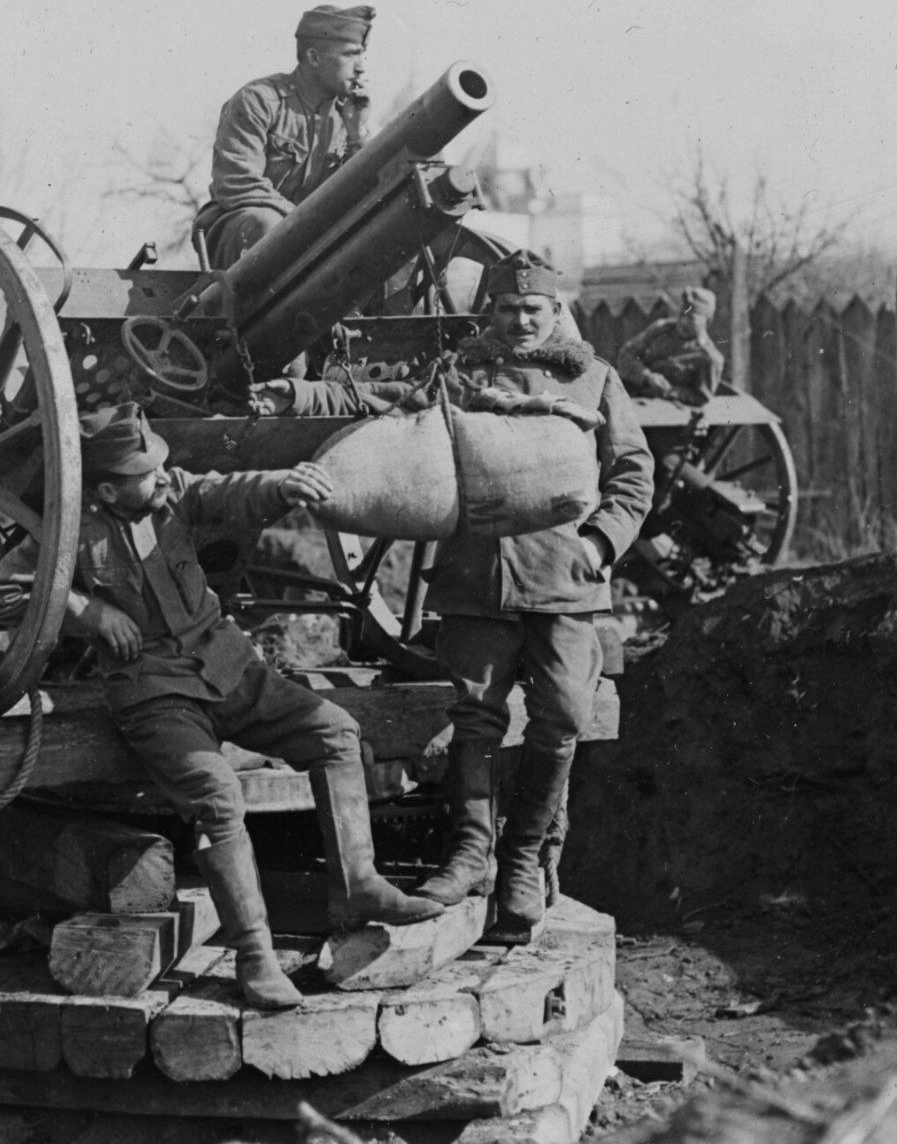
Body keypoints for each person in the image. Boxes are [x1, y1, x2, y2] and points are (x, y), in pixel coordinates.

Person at [0, 404, 444, 1010]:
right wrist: (87, 611)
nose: (162, 476)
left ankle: (358, 887)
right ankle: (255, 956)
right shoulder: (66, 532)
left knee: (335, 732)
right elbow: (0, 595)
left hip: (228, 669)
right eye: (145, 472)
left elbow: (230, 490)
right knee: (219, 797)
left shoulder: (172, 493)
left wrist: (283, 485)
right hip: (156, 697)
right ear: (106, 489)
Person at [256, 252, 654, 941]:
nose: (521, 321)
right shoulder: (462, 373)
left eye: (533, 309)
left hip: (565, 578)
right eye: (507, 308)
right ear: (489, 312)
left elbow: (634, 472)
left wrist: (599, 545)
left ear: (556, 311)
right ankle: (470, 855)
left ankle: (522, 857)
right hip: (477, 580)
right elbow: (384, 403)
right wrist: (299, 397)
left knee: (564, 713)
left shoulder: (593, 377)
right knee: (476, 717)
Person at [191, 3, 375, 267]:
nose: (361, 68)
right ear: (314, 57)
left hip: (307, 237)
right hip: (241, 228)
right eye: (350, 55)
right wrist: (305, 223)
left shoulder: (346, 116)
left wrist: (358, 136)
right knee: (269, 226)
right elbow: (238, 183)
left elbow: (360, 196)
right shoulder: (259, 101)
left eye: (362, 55)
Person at [617, 286, 726, 405]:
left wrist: (670, 391)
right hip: (627, 394)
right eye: (681, 314)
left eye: (691, 318)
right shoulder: (661, 329)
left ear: (707, 322)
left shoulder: (709, 358)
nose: (683, 322)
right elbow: (625, 354)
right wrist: (647, 376)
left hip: (666, 409)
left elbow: (702, 397)